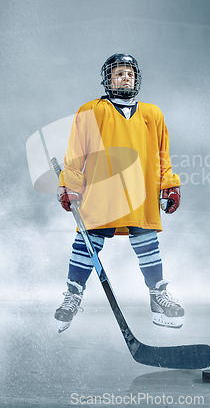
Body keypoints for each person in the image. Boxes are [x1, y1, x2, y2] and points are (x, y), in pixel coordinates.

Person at [55, 53, 183, 333]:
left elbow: (163, 154)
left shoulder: (152, 113)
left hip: (141, 192)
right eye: (119, 74)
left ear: (136, 79)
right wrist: (70, 184)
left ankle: (157, 297)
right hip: (102, 193)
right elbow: (76, 153)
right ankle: (73, 296)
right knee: (88, 243)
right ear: (108, 79)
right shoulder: (92, 110)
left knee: (147, 242)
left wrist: (169, 185)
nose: (125, 77)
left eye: (130, 74)